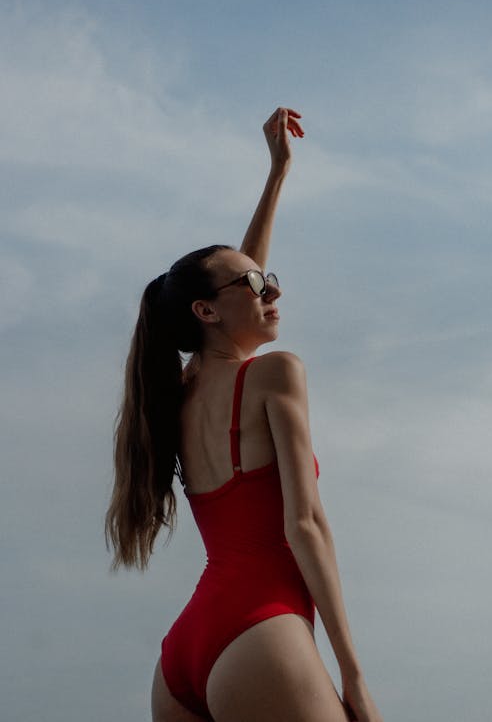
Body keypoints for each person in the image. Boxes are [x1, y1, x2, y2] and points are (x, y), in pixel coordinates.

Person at [105, 107, 383, 722]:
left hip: (187, 655)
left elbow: (234, 285)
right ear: (205, 312)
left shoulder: (177, 393)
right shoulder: (276, 374)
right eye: (260, 287)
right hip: (261, 632)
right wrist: (353, 675)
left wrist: (279, 172)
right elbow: (304, 526)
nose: (273, 291)